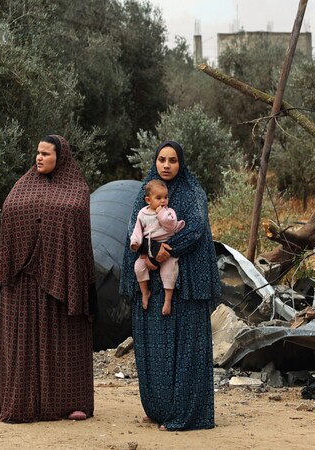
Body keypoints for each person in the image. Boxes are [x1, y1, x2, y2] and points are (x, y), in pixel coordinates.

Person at [119, 140, 222, 431]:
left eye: (173, 160)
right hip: (150, 278)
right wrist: (149, 254)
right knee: (154, 346)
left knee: (184, 347)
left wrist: (169, 249)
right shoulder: (145, 190)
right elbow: (133, 227)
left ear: (181, 163)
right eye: (162, 159)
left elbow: (196, 227)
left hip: (185, 283)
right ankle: (159, 408)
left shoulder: (192, 193)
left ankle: (187, 414)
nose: (166, 165)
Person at [0, 135, 95, 423]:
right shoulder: (21, 187)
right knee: (24, 341)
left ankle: (71, 403)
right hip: (23, 281)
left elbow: (78, 236)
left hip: (64, 281)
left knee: (64, 341)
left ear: (60, 157)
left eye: (46, 154)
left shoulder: (77, 191)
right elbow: (11, 215)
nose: (39, 158)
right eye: (37, 153)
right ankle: (23, 402)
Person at [129, 179, 185, 315]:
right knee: (138, 267)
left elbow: (171, 225)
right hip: (148, 247)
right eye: (158, 198)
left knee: (170, 271)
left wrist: (161, 213)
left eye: (165, 197)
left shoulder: (169, 212)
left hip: (166, 246)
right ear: (148, 200)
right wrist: (135, 242)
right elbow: (137, 229)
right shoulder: (142, 213)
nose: (163, 201)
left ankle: (167, 300)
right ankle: (145, 292)